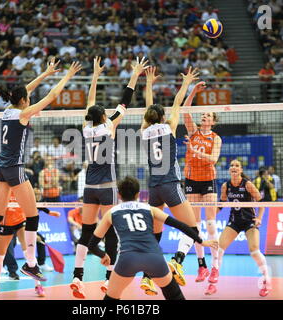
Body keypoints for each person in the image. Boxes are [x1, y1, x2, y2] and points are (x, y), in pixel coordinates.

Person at [0, 57, 81, 281]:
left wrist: (45, 74)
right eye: (27, 98)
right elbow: (52, 96)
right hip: (15, 168)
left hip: (1, 168)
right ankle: (31, 264)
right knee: (33, 216)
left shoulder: (7, 110)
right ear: (25, 101)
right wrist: (67, 76)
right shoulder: (23, 114)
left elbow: (23, 90)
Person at [70, 56, 147, 299]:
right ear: (103, 116)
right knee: (111, 230)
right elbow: (125, 102)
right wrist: (135, 75)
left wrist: (94, 76)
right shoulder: (109, 126)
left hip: (89, 185)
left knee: (86, 232)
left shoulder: (86, 128)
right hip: (107, 187)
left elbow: (90, 102)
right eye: (104, 112)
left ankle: (77, 276)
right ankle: (108, 278)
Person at [87, 176, 218, 300]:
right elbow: (181, 225)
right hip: (154, 257)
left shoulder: (111, 213)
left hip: (127, 258)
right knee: (175, 295)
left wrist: (102, 255)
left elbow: (92, 244)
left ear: (119, 195)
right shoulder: (150, 209)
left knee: (111, 298)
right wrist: (202, 241)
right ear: (138, 194)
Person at [139, 66, 202, 295]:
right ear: (163, 118)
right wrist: (185, 83)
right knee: (193, 228)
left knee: (155, 234)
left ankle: (146, 277)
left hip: (153, 188)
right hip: (171, 184)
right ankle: (177, 262)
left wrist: (148, 84)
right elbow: (177, 103)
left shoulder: (144, 131)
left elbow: (148, 109)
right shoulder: (169, 127)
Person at [175, 79, 222, 286]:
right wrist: (193, 90)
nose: (204, 116)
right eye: (203, 114)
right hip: (192, 179)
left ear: (212, 121)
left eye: (208, 115)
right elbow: (185, 110)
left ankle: (215, 267)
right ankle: (201, 264)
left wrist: (193, 151)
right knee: (194, 225)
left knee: (211, 223)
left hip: (208, 180)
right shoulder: (193, 131)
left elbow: (214, 159)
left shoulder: (216, 138)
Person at [0, 191, 60, 297]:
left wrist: (48, 212)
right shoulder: (1, 185)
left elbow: (32, 202)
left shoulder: (21, 183)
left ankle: (38, 286)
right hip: (5, 222)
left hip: (20, 221)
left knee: (28, 253)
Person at [210, 160, 271, 297]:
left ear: (241, 170)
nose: (233, 167)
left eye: (237, 165)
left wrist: (259, 218)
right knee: (218, 248)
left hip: (249, 222)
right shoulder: (226, 186)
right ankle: (212, 283)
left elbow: (261, 202)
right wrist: (210, 215)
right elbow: (221, 205)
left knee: (254, 251)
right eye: (231, 165)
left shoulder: (248, 185)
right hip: (234, 221)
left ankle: (266, 280)